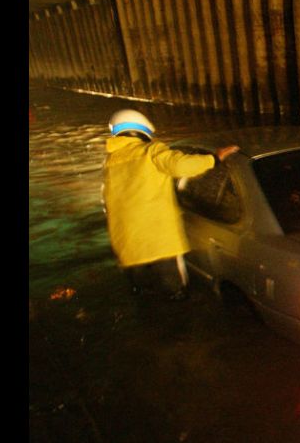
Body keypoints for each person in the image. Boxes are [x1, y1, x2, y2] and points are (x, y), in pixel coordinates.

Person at [102, 109, 240, 301]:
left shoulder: (111, 161)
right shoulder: (151, 151)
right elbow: (180, 165)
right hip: (159, 243)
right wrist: (214, 159)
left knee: (143, 296)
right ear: (143, 131)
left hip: (128, 248)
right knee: (175, 293)